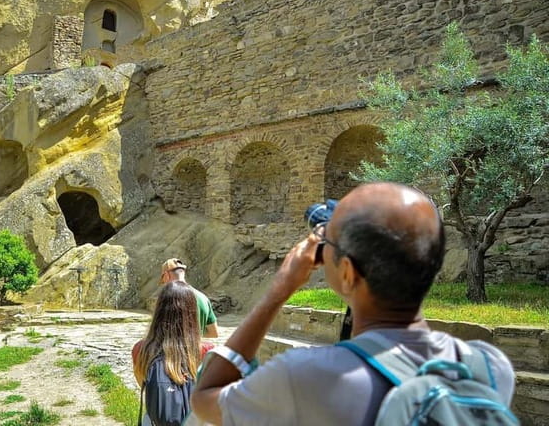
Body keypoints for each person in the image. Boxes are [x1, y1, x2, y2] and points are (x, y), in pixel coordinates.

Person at [190, 182, 516, 425]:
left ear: (347, 272)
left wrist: (280, 289)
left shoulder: (307, 377)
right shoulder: (489, 367)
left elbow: (205, 398)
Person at [133, 280, 214, 426]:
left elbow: (144, 384)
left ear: (158, 311)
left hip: (156, 421)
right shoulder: (207, 351)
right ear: (192, 312)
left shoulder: (141, 349)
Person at [160, 258, 219, 338]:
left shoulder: (169, 297)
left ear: (167, 275)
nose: (164, 284)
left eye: (163, 280)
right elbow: (214, 333)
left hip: (173, 349)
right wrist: (195, 335)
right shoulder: (203, 298)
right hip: (196, 348)